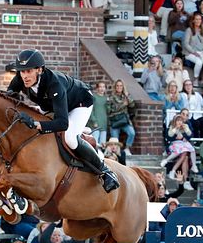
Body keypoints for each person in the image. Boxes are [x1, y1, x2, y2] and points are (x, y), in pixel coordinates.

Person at [7, 49, 119, 197]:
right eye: (22, 71)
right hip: (53, 106)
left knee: (69, 137)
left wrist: (35, 124)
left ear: (39, 69)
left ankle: (104, 170)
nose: (24, 76)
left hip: (79, 104)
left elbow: (62, 123)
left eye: (28, 71)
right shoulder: (20, 79)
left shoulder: (54, 84)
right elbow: (8, 98)